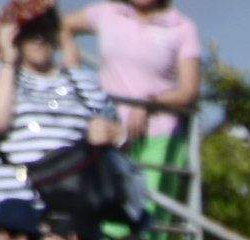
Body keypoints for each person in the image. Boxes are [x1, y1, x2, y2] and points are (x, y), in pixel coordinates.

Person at [0, 0, 119, 224]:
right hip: (10, 215)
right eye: (29, 29)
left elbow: (119, 140)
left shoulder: (85, 81)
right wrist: (9, 62)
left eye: (47, 28)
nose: (39, 37)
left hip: (71, 217)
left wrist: (115, 134)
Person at [64, 0, 199, 197]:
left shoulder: (182, 27)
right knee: (106, 209)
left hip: (157, 137)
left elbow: (189, 91)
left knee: (147, 211)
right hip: (108, 132)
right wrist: (70, 56)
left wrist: (150, 103)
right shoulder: (107, 13)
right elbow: (61, 25)